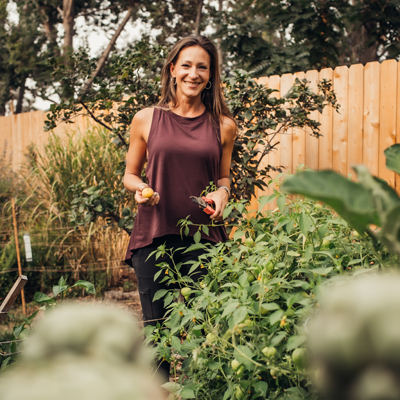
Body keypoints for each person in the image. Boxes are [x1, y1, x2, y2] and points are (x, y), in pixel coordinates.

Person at [123, 36, 236, 381]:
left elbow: (224, 179)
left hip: (204, 239)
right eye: (186, 65)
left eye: (202, 66)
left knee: (201, 332)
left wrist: (222, 196)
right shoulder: (146, 119)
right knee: (155, 334)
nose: (193, 73)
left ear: (211, 74)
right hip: (154, 235)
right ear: (173, 70)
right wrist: (142, 189)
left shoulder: (224, 126)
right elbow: (129, 174)